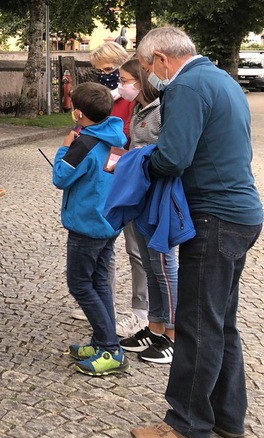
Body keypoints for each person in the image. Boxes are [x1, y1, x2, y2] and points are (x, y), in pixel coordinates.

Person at [130, 27, 262, 438]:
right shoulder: (221, 79)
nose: (150, 76)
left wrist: (137, 166)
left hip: (213, 217)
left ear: (161, 59)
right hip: (240, 214)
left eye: (148, 67)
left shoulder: (186, 86)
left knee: (197, 324)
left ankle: (187, 425)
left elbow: (172, 158)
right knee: (220, 322)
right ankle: (227, 417)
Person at [52, 81, 129, 376]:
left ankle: (110, 347)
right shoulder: (116, 137)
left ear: (79, 113)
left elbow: (61, 178)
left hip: (87, 225)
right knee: (99, 283)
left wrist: (64, 148)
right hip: (108, 221)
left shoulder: (82, 144)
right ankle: (101, 341)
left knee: (80, 284)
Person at [115, 58, 178, 365]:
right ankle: (154, 328)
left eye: (124, 80)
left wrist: (135, 160)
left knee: (163, 265)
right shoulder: (139, 109)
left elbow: (167, 153)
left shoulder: (162, 109)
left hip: (157, 195)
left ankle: (174, 336)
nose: (120, 86)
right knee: (150, 265)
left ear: (140, 81)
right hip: (139, 193)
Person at [88, 40, 148, 340]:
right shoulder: (105, 98)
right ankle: (104, 303)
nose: (105, 76)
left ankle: (142, 310)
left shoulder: (135, 100)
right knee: (104, 245)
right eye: (99, 71)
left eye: (110, 70)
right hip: (107, 180)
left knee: (137, 249)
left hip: (129, 178)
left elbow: (129, 138)